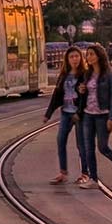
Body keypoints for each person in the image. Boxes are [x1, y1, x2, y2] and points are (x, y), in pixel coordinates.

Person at [43, 46, 89, 185]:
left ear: (81, 58)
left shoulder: (85, 75)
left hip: (79, 115)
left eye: (77, 56)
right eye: (71, 57)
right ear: (67, 60)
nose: (75, 59)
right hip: (66, 113)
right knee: (60, 140)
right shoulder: (64, 75)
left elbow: (87, 97)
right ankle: (63, 173)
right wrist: (48, 114)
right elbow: (56, 95)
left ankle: (85, 174)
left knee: (81, 144)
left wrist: (79, 112)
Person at [78, 43, 112, 189]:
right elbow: (84, 95)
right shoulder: (87, 74)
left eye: (91, 54)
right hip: (88, 115)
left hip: (103, 116)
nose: (88, 57)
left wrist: (111, 118)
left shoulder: (110, 75)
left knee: (103, 147)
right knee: (88, 148)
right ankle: (93, 179)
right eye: (87, 55)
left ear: (99, 56)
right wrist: (82, 91)